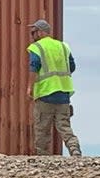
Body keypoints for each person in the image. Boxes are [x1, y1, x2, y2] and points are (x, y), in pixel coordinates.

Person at [28, 19, 82, 157]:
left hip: (45, 93)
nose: (32, 35)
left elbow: (34, 67)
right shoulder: (63, 47)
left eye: (33, 32)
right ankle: (74, 149)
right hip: (63, 94)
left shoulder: (37, 47)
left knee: (42, 128)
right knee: (64, 126)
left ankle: (42, 156)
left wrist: (30, 87)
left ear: (40, 32)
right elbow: (72, 67)